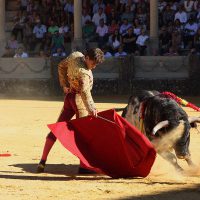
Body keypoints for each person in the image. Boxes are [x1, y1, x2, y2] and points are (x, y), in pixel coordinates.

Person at [37, 48, 104, 173]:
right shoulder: (84, 73)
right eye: (93, 63)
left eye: (96, 64)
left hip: (69, 98)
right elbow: (84, 92)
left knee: (57, 128)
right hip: (79, 102)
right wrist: (91, 108)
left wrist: (64, 84)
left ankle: (42, 161)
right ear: (87, 58)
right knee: (84, 135)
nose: (94, 67)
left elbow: (61, 66)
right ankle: (84, 166)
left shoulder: (75, 56)